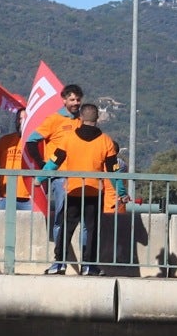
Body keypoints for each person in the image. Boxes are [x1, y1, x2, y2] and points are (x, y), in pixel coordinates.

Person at [49, 103, 123, 274]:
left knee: (67, 228)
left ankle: (59, 263)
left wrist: (39, 178)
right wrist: (122, 192)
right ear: (97, 119)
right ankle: (88, 266)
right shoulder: (106, 141)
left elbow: (54, 162)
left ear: (80, 118)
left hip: (73, 189)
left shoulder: (68, 138)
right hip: (94, 191)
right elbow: (114, 171)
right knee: (92, 229)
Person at [28, 82, 86, 272]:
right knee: (60, 217)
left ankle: (86, 264)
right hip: (61, 178)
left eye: (78, 99)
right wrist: (43, 165)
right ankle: (59, 261)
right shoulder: (54, 119)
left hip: (82, 178)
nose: (75, 102)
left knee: (84, 221)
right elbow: (32, 140)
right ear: (64, 100)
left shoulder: (82, 120)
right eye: (72, 99)